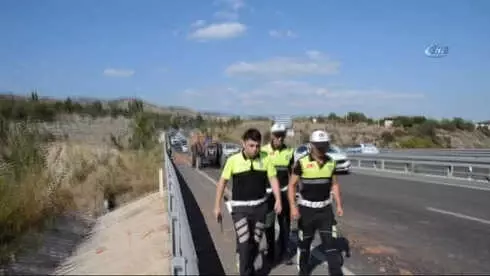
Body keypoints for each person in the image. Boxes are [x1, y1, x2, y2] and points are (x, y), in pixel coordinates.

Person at [214, 128, 283, 276]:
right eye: (251, 145)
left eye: (257, 146)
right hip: (240, 210)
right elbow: (222, 183)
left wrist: (278, 199)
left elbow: (273, 179)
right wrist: (217, 206)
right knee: (245, 244)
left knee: (254, 244)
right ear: (243, 143)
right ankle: (245, 269)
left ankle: (247, 268)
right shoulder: (233, 160)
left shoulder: (266, 158)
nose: (255, 149)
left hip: (260, 209)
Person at [287, 130, 345, 276]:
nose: (321, 149)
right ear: (311, 145)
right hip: (306, 211)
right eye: (318, 146)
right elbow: (292, 186)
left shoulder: (331, 162)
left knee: (331, 247)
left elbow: (335, 185)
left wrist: (338, 205)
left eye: (324, 146)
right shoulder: (301, 163)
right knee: (305, 246)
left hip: (325, 210)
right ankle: (303, 272)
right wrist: (293, 207)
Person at [261, 123, 295, 264]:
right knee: (268, 225)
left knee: (285, 225)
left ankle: (285, 251)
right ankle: (271, 250)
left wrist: (294, 192)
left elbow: (293, 174)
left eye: (282, 135)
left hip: (284, 193)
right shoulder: (262, 151)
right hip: (268, 195)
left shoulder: (289, 152)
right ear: (272, 135)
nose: (280, 139)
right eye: (277, 135)